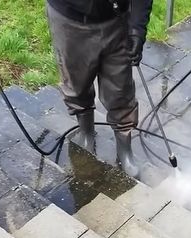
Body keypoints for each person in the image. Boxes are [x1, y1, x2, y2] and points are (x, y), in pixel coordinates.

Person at [46, 0, 153, 177]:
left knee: (120, 89)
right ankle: (86, 133)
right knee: (76, 84)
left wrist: (137, 30)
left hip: (117, 20)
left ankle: (124, 150)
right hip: (70, 21)